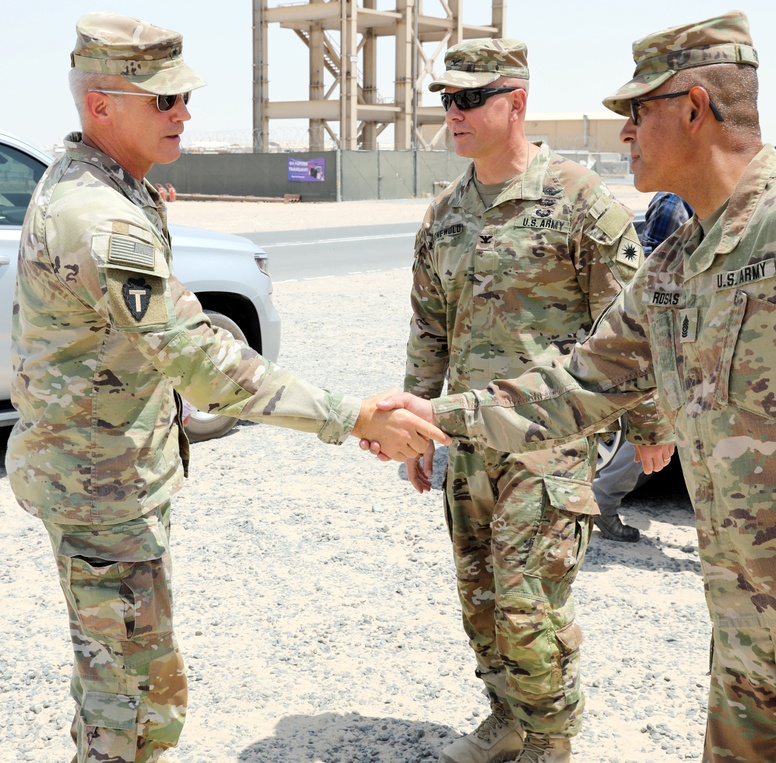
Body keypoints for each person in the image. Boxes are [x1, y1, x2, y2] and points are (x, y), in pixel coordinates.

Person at [371, 11, 776, 761]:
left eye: (637, 111)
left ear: (695, 109)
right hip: (748, 644)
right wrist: (431, 412)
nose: (625, 133)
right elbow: (570, 386)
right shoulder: (675, 270)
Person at [6, 13, 448, 763]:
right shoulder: (99, 216)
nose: (184, 113)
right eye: (162, 101)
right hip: (99, 492)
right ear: (101, 106)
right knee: (134, 711)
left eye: (183, 98)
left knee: (132, 690)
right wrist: (355, 415)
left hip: (103, 478)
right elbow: (207, 363)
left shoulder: (105, 184)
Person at [402, 38, 672, 763]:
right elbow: (430, 325)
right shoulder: (445, 214)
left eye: (468, 99)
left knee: (528, 605)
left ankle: (551, 738)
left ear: (515, 102)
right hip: (467, 437)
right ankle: (509, 716)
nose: (452, 114)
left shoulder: (580, 202)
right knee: (481, 600)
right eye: (446, 101)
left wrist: (650, 422)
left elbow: (628, 322)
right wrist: (415, 425)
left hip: (550, 439)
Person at [592, 190, 692, 543]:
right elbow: (655, 278)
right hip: (680, 333)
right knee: (663, 422)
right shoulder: (674, 202)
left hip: (702, 329)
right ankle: (601, 501)